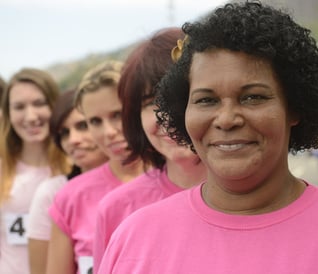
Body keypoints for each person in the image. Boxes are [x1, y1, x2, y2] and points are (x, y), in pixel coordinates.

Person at [98, 2, 318, 273]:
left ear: (294, 106)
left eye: (253, 97)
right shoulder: (135, 237)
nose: (226, 119)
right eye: (206, 100)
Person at [92, 27, 206, 273]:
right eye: (149, 103)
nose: (165, 117)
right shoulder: (116, 209)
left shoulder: (256, 199)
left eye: (181, 96)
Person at [46, 61, 145, 274]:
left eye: (117, 115)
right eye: (95, 121)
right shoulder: (70, 197)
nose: (108, 131)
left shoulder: (181, 179)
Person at [27, 89, 108, 274]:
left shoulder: (149, 182)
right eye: (64, 133)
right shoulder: (52, 192)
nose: (73, 140)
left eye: (82, 126)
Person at [0, 68, 70, 274]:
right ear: (8, 113)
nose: (30, 117)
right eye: (19, 107)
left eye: (39, 103)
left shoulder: (76, 168)